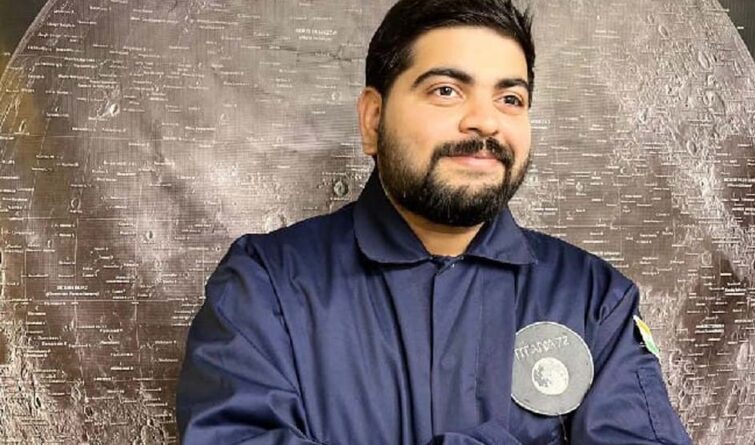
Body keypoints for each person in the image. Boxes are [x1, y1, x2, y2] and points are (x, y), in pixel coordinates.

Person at [176, 0, 693, 443]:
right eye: (446, 90)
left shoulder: (594, 300)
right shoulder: (264, 286)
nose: (485, 120)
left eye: (510, 99)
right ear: (373, 119)